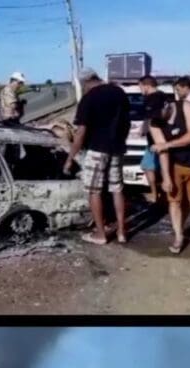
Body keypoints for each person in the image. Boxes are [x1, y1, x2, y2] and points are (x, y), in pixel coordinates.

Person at [63, 68, 131, 245]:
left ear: (85, 82)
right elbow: (127, 122)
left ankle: (100, 234)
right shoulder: (119, 92)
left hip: (97, 150)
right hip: (116, 148)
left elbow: (80, 132)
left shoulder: (89, 98)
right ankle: (122, 232)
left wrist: (70, 158)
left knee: (94, 191)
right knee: (117, 189)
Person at [150, 76, 190, 254]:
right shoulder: (154, 123)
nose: (156, 119)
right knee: (174, 201)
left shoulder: (187, 107)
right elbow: (162, 151)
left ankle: (179, 227)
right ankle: (179, 237)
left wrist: (167, 144)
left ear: (167, 105)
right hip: (174, 164)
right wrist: (165, 177)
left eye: (158, 114)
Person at [138, 75, 169, 202]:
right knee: (161, 167)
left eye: (140, 86)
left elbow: (150, 118)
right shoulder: (163, 96)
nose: (140, 89)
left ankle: (155, 194)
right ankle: (161, 193)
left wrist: (144, 129)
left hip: (155, 140)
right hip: (163, 138)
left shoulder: (151, 99)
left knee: (147, 166)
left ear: (146, 85)